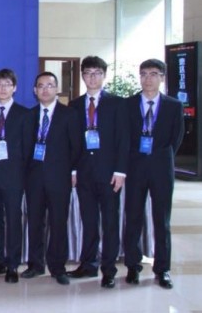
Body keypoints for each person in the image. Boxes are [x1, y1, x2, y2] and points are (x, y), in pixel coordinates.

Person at [67, 56, 128, 289]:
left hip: (109, 174)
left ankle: (109, 270)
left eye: (97, 73)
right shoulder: (74, 105)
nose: (92, 77)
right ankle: (88, 264)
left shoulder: (117, 104)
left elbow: (123, 140)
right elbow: (72, 142)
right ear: (82, 75)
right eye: (88, 73)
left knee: (110, 222)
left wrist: (120, 171)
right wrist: (73, 169)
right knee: (89, 221)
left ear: (104, 75)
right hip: (84, 173)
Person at [123, 59, 184, 289]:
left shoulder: (173, 106)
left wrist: (159, 158)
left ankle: (162, 269)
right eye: (144, 74)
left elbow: (176, 139)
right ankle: (133, 265)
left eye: (153, 74)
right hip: (135, 168)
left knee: (162, 220)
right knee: (133, 217)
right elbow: (124, 137)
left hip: (161, 169)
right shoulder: (128, 104)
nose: (148, 79)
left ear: (162, 78)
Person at [22, 72, 81, 285]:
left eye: (49, 85)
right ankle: (35, 265)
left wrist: (73, 171)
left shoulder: (69, 114)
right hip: (34, 178)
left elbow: (76, 147)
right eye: (41, 86)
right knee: (35, 223)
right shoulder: (28, 115)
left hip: (60, 177)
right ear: (34, 90)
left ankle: (58, 267)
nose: (45, 89)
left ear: (56, 89)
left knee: (58, 223)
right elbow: (24, 149)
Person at [0, 69, 31, 284]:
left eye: (7, 84)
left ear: (14, 88)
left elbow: (27, 149)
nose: (2, 88)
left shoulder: (24, 114)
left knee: (13, 221)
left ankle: (13, 264)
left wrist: (24, 177)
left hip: (14, 177)